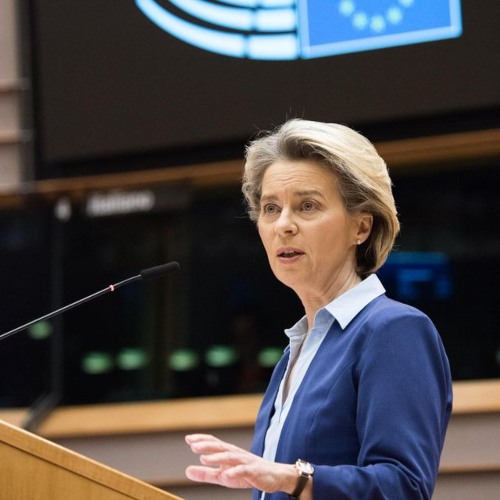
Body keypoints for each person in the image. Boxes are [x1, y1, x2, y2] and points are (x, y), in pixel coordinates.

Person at [185, 119, 452, 499]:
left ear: (361, 227)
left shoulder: (394, 330)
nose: (283, 225)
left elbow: (404, 486)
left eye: (307, 206)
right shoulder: (296, 350)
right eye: (271, 208)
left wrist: (294, 478)